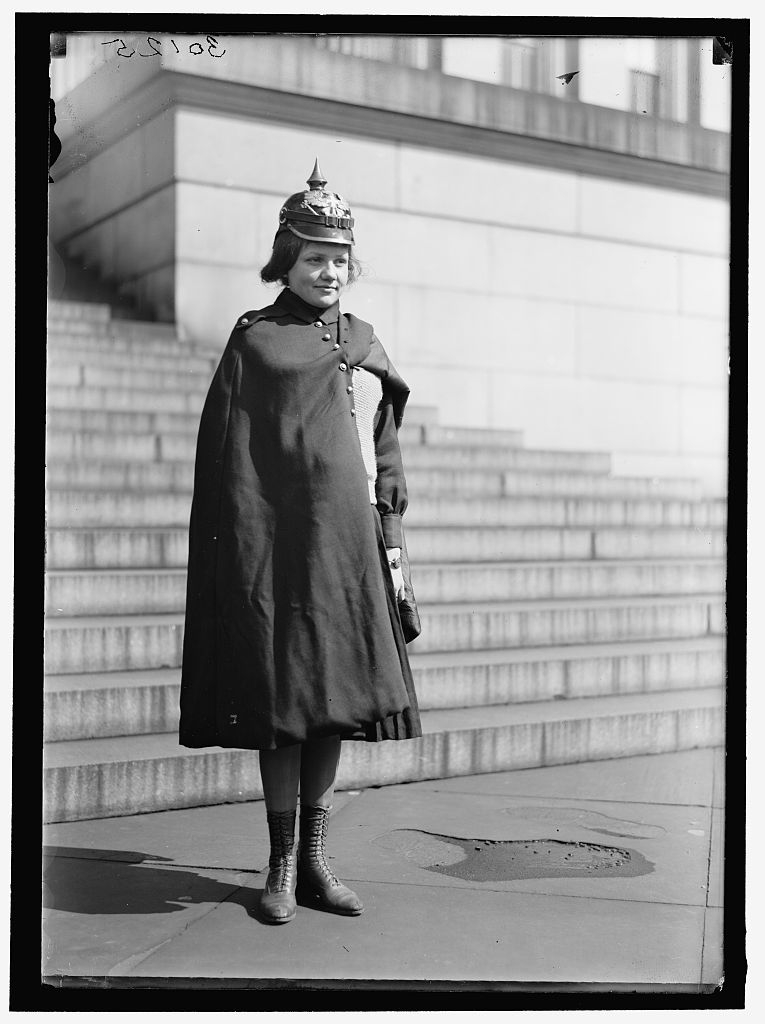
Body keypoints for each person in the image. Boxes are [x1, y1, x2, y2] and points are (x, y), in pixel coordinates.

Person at [179, 160, 422, 925]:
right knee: (282, 705)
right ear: (286, 259)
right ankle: (280, 864)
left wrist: (391, 537)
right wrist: (237, 553)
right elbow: (228, 457)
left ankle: (316, 860)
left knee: (334, 703)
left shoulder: (362, 341)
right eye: (314, 257)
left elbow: (383, 452)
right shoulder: (255, 340)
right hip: (275, 551)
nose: (329, 271)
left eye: (340, 259)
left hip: (346, 553)